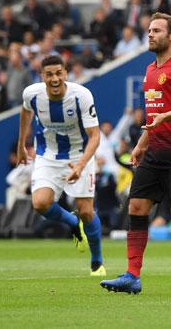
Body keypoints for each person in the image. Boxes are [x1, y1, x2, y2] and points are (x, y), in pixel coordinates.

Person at [100, 13, 171, 295]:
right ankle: (132, 275)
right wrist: (141, 144)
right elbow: (153, 117)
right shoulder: (150, 70)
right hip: (154, 151)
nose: (150, 34)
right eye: (149, 30)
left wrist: (164, 117)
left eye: (156, 30)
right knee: (136, 207)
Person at [16, 55, 105, 276]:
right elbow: (26, 111)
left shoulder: (81, 96)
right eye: (49, 74)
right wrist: (21, 145)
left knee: (87, 211)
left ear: (66, 73)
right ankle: (72, 223)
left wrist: (81, 165)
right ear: (42, 76)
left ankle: (97, 262)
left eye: (59, 73)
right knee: (40, 203)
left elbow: (95, 136)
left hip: (78, 156)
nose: (54, 79)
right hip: (48, 156)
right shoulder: (32, 93)